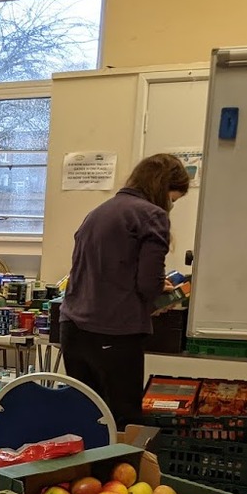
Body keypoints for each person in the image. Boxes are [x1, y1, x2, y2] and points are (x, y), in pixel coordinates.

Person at [59, 153, 191, 427]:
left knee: (87, 418)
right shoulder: (152, 215)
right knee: (123, 424)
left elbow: (104, 270)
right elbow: (147, 284)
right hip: (113, 334)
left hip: (73, 329)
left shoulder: (98, 212)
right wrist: (160, 294)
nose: (171, 206)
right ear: (162, 189)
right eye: (173, 199)